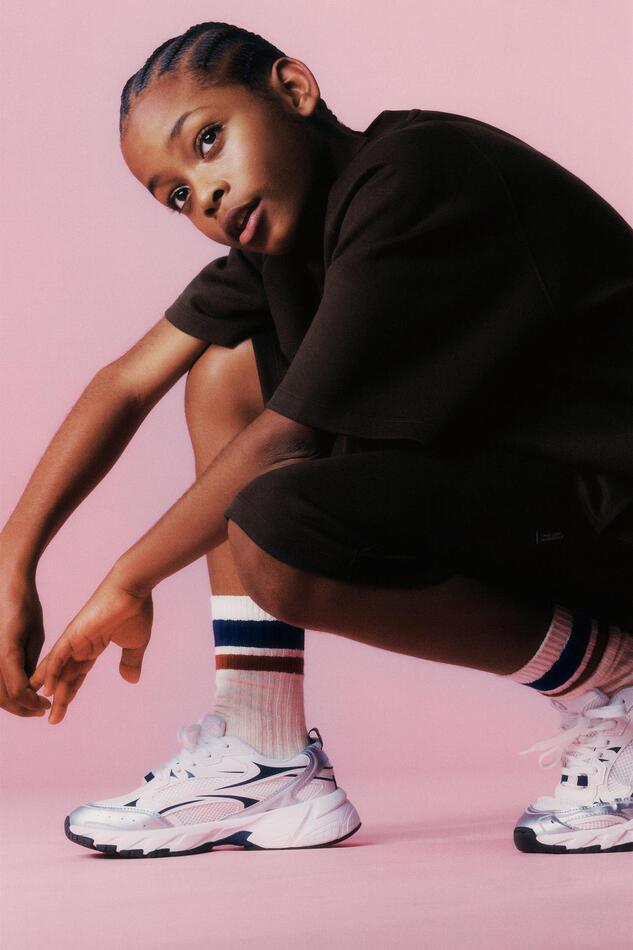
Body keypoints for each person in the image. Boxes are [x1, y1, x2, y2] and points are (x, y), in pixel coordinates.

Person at [1, 20, 631, 857]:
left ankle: (618, 686)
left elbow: (286, 441)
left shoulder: (419, 174)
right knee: (226, 369)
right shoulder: (286, 250)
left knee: (280, 526)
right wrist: (12, 563)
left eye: (208, 141)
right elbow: (126, 382)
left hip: (613, 509)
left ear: (293, 90)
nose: (206, 194)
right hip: (555, 513)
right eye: (177, 195)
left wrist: (127, 580)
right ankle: (262, 751)